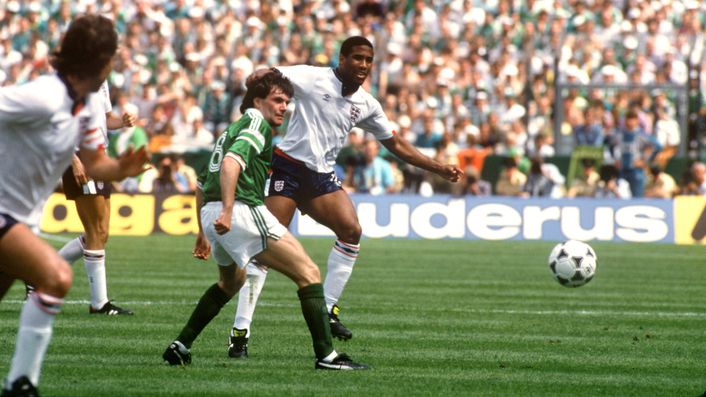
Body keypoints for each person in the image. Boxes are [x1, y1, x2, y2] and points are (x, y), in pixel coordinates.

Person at [226, 36, 463, 357]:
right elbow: (265, 77)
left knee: (351, 231)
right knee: (263, 248)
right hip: (288, 169)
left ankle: (328, 308)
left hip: (321, 178)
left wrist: (437, 167)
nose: (363, 65)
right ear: (342, 58)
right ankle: (240, 331)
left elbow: (395, 143)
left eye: (368, 60)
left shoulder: (367, 103)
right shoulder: (312, 77)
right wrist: (253, 79)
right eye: (357, 58)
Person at [162, 69, 367, 370]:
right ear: (257, 101)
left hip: (210, 215)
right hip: (241, 212)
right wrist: (230, 210)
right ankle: (327, 356)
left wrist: (203, 231)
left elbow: (201, 182)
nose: (284, 107)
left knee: (231, 282)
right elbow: (232, 164)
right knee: (309, 272)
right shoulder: (257, 124)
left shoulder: (231, 129)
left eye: (287, 101)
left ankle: (181, 345)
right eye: (278, 100)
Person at [0, 14, 149, 396]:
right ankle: (22, 384)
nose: (114, 64)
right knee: (56, 277)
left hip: (20, 218)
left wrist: (122, 166)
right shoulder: (43, 95)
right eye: (111, 57)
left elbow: (97, 161)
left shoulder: (81, 106)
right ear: (97, 59)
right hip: (5, 214)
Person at [55, 81, 137, 316]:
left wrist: (121, 122)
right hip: (81, 155)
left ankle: (39, 274)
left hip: (99, 155)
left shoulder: (101, 83)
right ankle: (99, 303)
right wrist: (74, 160)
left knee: (101, 233)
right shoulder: (71, 80)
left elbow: (107, 118)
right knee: (95, 232)